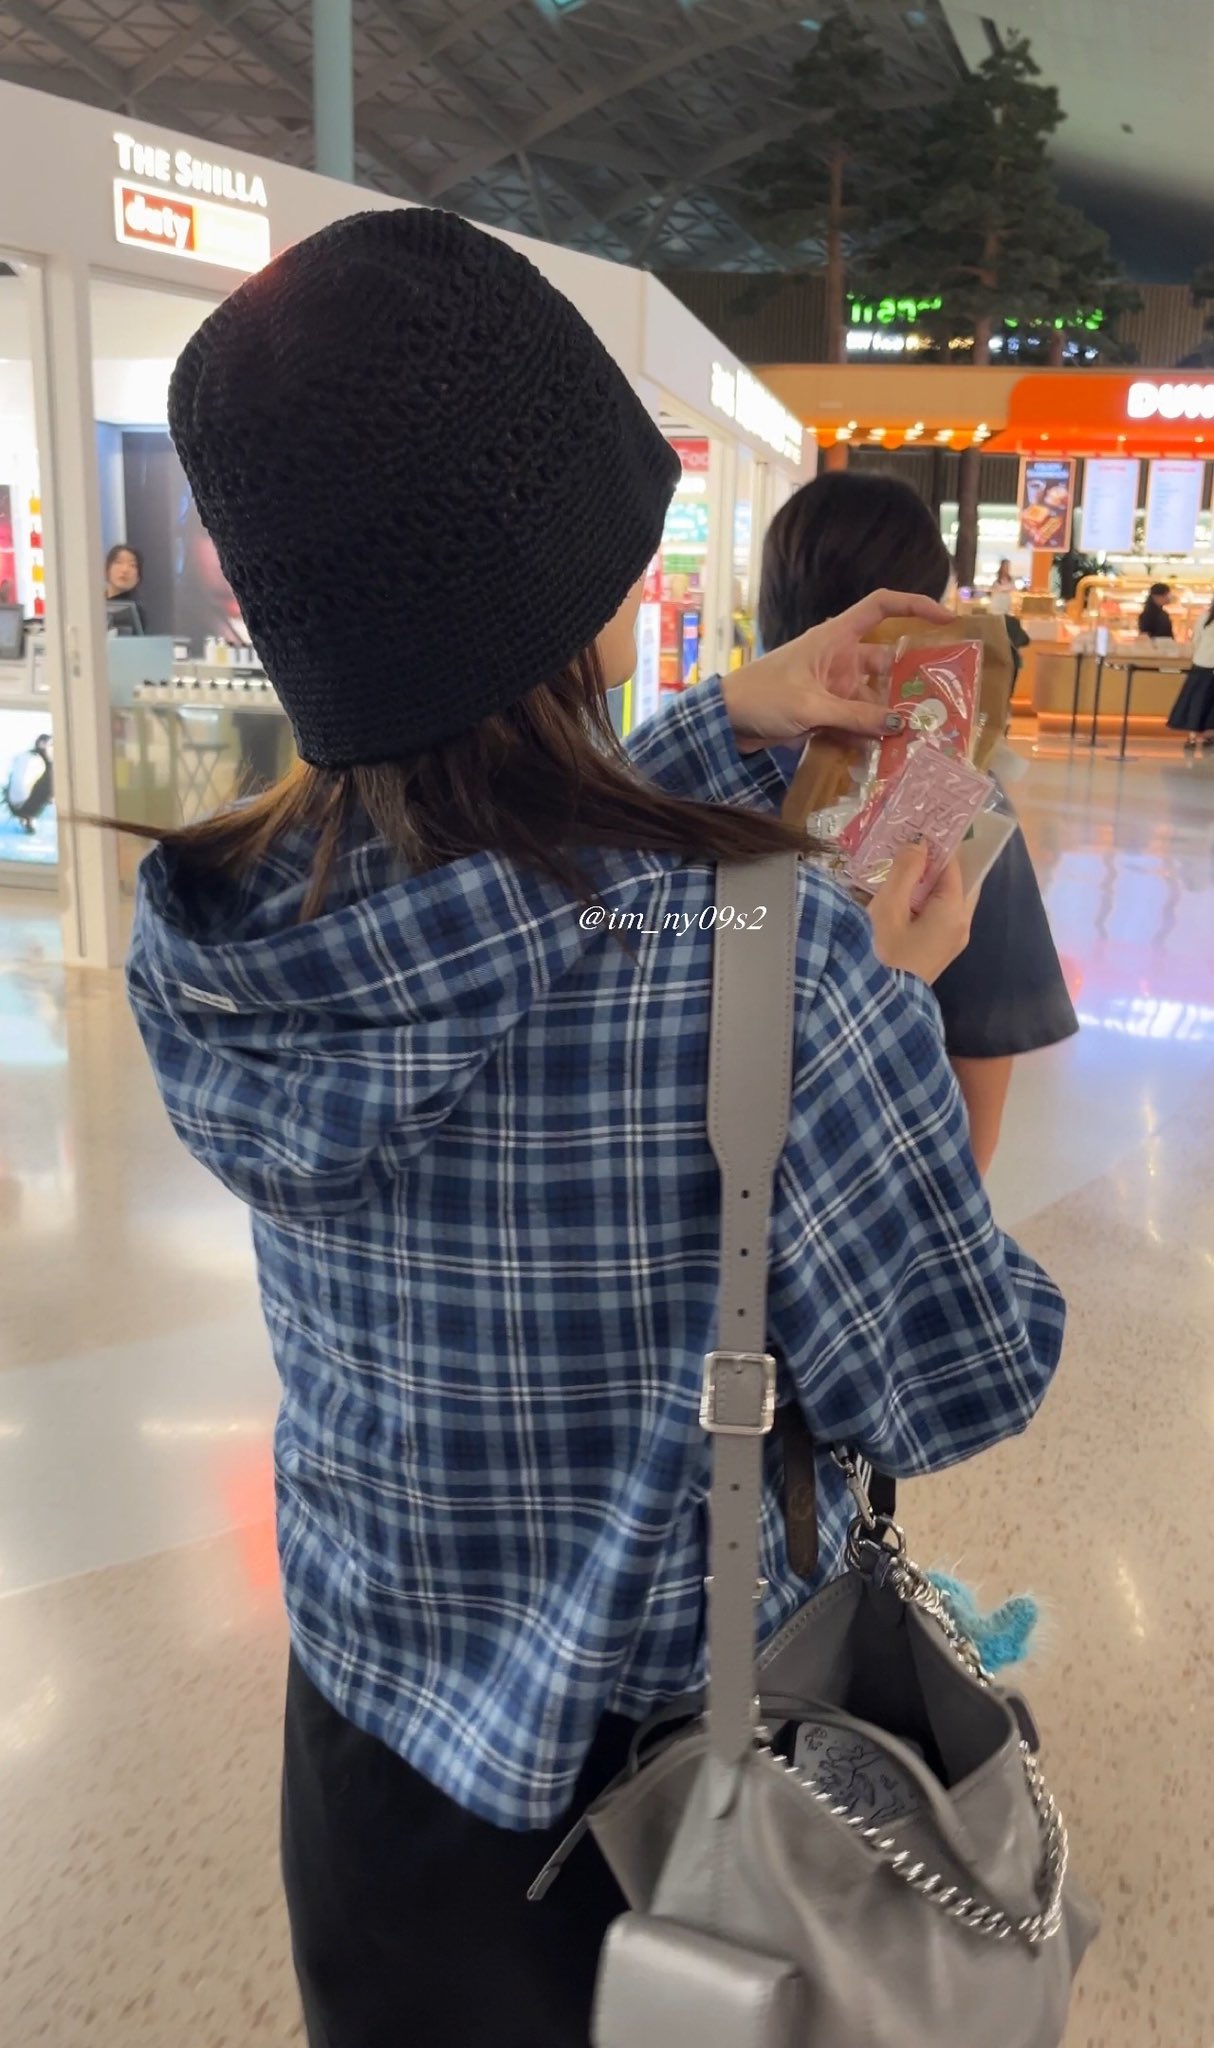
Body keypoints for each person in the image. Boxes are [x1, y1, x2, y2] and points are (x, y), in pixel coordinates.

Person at [121, 211, 1066, 2048]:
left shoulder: (215, 943)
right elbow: (961, 1376)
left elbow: (498, 889)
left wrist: (726, 720)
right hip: (665, 1817)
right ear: (575, 583)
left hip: (366, 1762)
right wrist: (880, 994)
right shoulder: (780, 985)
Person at [759, 471, 1078, 1174]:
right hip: (876, 1171)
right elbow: (983, 1032)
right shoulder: (953, 786)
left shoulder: (693, 753)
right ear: (920, 613)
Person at [1167, 595, 1214, 753]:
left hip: (1200, 664)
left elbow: (1196, 640)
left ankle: (1192, 736)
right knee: (1211, 704)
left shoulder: (1205, 617)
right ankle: (1208, 735)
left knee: (1196, 701)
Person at [104, 542, 145, 632]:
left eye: (132, 565)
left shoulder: (135, 610)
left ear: (138, 578)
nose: (125, 569)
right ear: (107, 570)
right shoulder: (93, 603)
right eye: (118, 562)